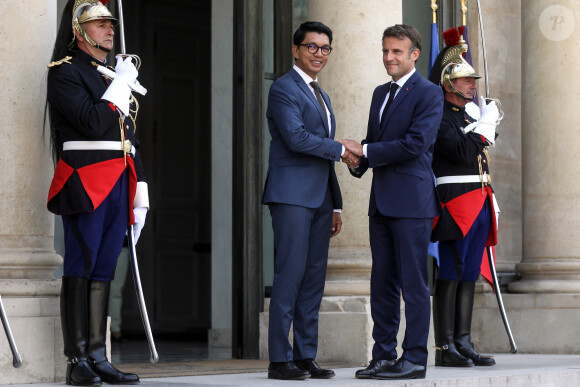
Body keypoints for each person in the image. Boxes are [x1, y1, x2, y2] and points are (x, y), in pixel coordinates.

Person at [46, 0, 148, 384]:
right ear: (80, 31)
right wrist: (120, 84)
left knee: (105, 268)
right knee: (82, 265)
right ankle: (77, 361)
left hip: (121, 178)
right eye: (101, 24)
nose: (110, 29)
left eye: (110, 23)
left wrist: (142, 189)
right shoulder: (66, 72)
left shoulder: (110, 75)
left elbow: (129, 138)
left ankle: (97, 354)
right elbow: (90, 123)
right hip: (86, 179)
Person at [341, 24, 443, 380]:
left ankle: (414, 359)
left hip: (412, 204)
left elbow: (416, 144)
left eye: (396, 51)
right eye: (385, 51)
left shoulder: (430, 93)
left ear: (414, 54)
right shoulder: (378, 93)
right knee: (381, 283)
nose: (389, 58)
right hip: (381, 203)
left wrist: (365, 149)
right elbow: (374, 144)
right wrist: (357, 161)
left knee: (413, 284)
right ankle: (382, 356)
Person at [262, 21, 356, 381]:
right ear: (295, 50)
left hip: (318, 199)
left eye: (325, 48)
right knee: (290, 274)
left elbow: (320, 156)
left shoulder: (322, 94)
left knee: (314, 278)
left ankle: (304, 355)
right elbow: (297, 138)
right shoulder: (284, 89)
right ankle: (278, 359)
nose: (319, 53)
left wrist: (335, 205)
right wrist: (341, 149)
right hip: (291, 195)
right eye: (312, 46)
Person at [428, 28, 499, 368]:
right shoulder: (438, 116)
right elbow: (457, 150)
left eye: (473, 80)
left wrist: (482, 123)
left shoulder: (467, 115)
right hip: (456, 201)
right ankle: (444, 348)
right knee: (451, 271)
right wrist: (483, 128)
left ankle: (463, 340)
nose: (473, 85)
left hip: (479, 199)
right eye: (466, 81)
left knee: (469, 271)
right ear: (448, 84)